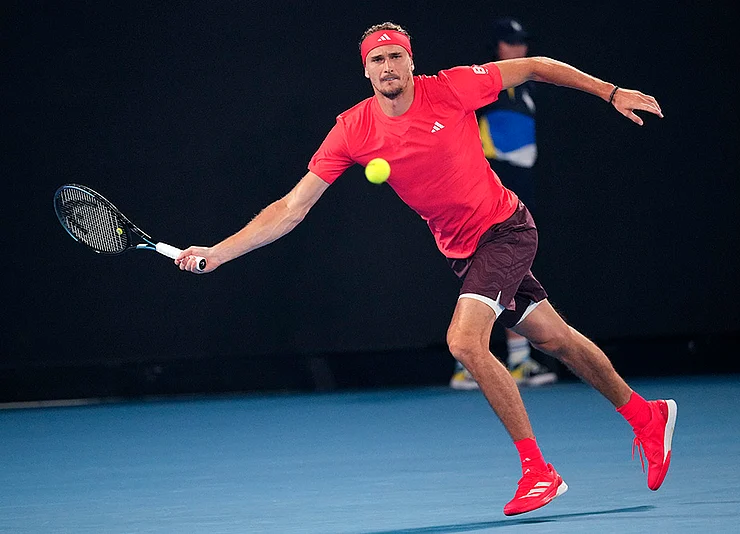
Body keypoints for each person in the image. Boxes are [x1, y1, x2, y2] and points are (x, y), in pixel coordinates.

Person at [175, 22, 676, 516]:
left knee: (464, 342)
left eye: (396, 56)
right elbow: (291, 207)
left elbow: (536, 67)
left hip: (505, 230)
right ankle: (645, 415)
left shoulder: (453, 87)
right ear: (366, 70)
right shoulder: (353, 128)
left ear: (411, 61)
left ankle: (538, 471)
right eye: (378, 59)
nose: (388, 66)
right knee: (555, 339)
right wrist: (218, 252)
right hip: (463, 251)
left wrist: (610, 92)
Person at [450, 16, 558, 390]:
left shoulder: (524, 90)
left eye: (523, 42)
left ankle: (516, 361)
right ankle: (470, 360)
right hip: (489, 194)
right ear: (497, 47)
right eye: (512, 43)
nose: (520, 49)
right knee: (486, 273)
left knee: (513, 276)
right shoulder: (485, 89)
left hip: (520, 191)